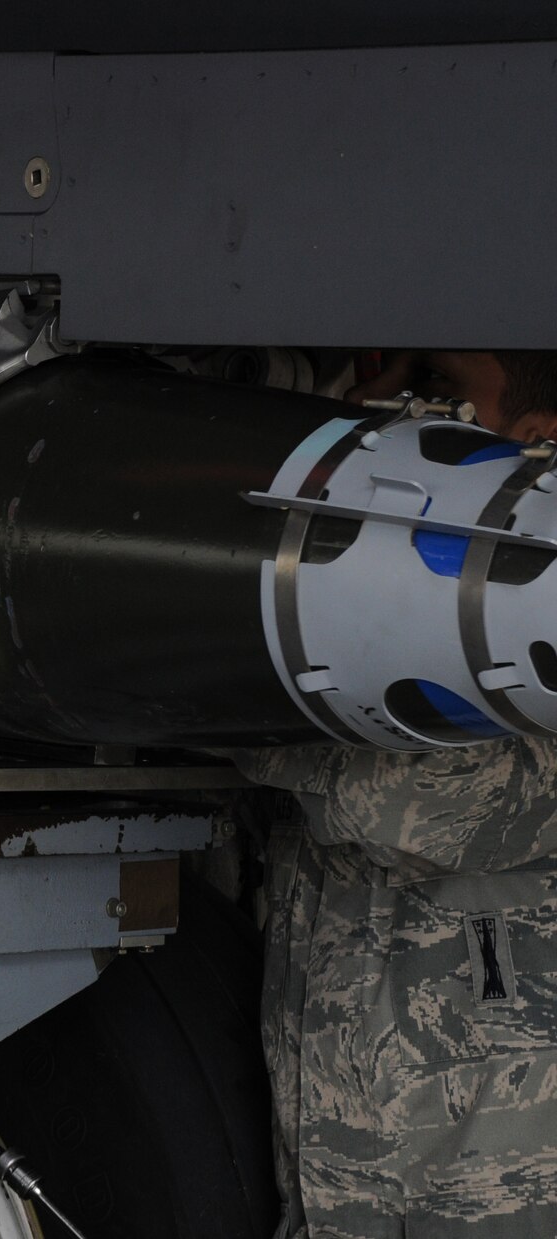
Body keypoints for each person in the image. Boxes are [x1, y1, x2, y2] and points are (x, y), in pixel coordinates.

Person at [238, 349, 557, 1237]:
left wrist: (234, 723)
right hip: (342, 1168)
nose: (408, 426)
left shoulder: (537, 635)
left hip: (488, 1190)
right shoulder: (385, 651)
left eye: (442, 401)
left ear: (539, 443)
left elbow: (407, 805)